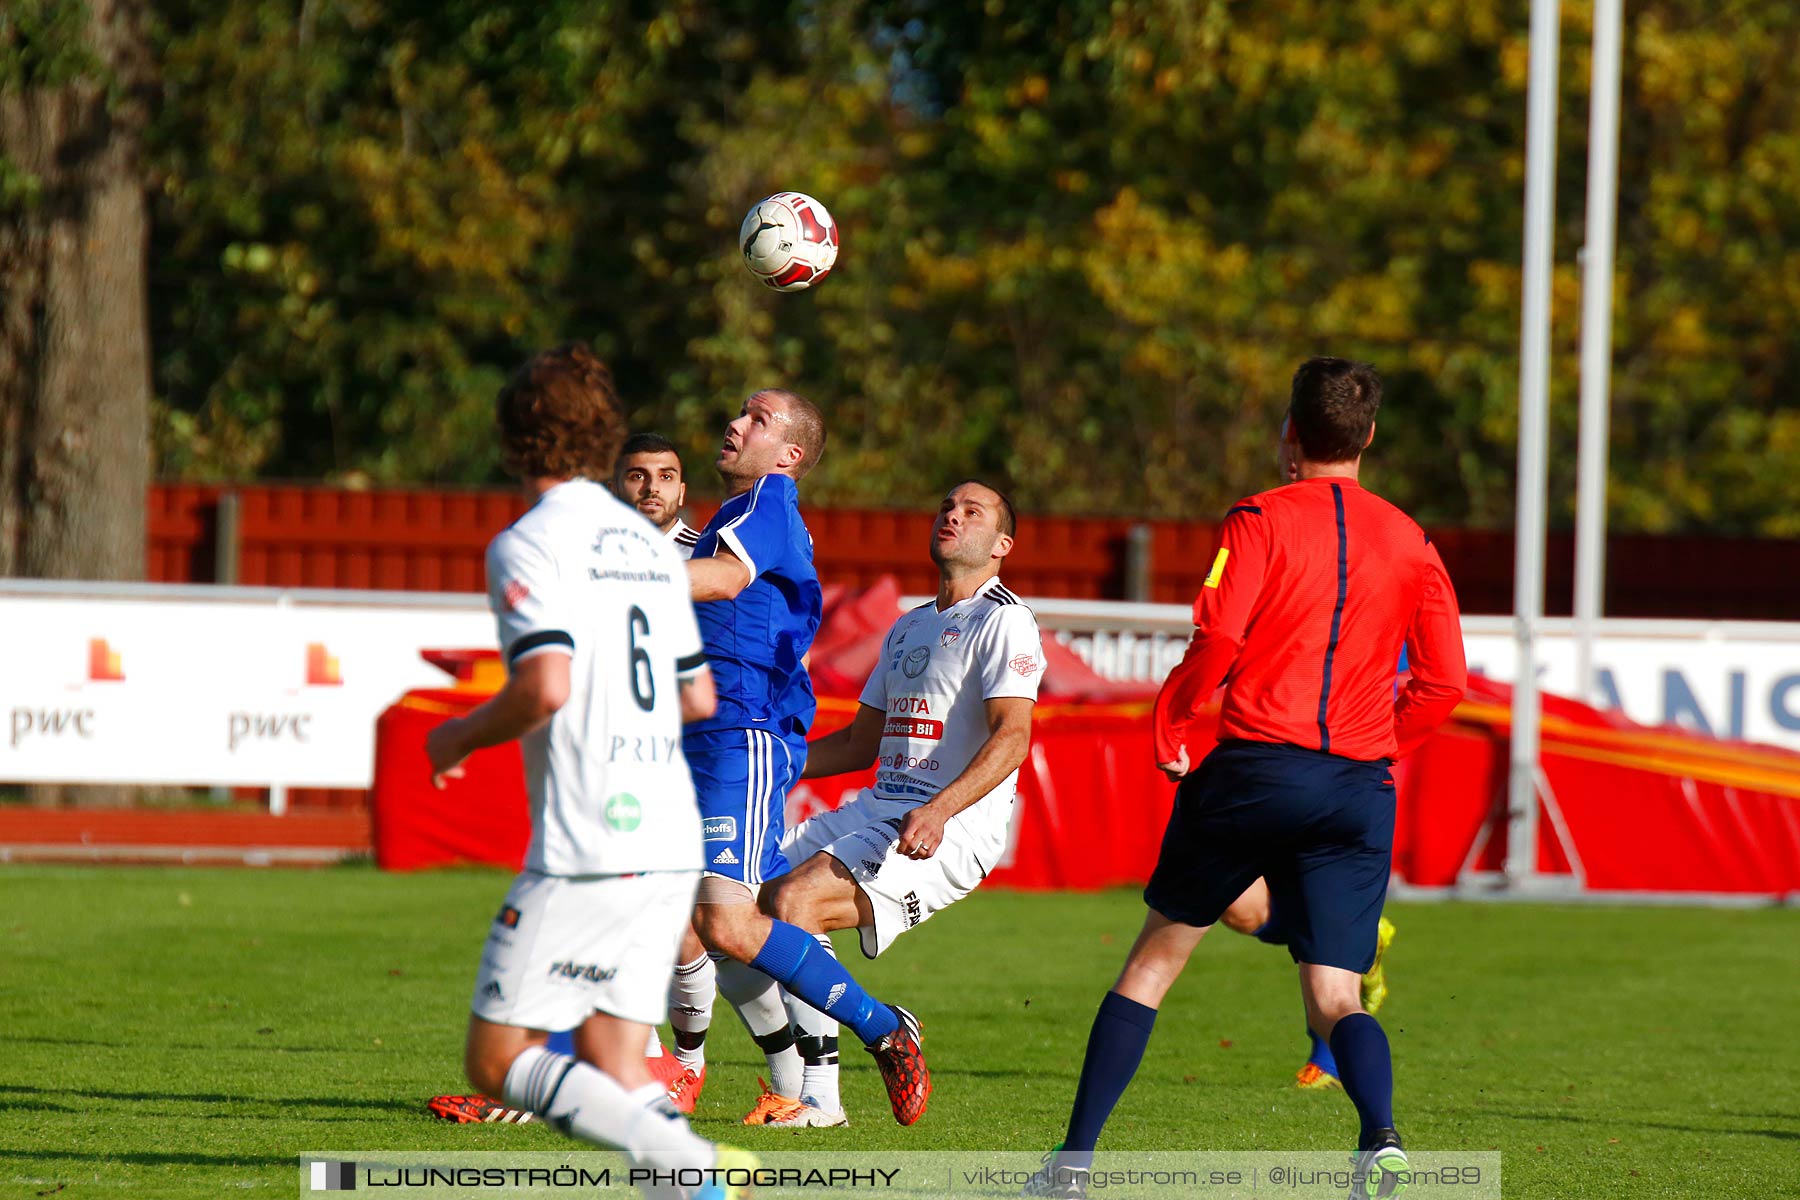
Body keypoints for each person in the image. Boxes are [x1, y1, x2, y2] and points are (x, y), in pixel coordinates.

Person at [1026, 358, 1466, 1199]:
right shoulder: (1412, 540)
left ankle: (1072, 1168)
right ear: (1368, 437)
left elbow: (1219, 636)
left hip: (1258, 762)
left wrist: (1175, 721)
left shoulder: (1260, 516)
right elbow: (1444, 682)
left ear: (1289, 432)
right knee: (1337, 993)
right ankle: (1381, 1142)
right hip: (1357, 785)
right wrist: (1375, 747)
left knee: (1152, 965)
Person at [422, 343, 751, 1197]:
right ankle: (686, 1181)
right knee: (613, 1056)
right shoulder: (648, 549)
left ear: (512, 440)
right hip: (672, 837)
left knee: (496, 1060)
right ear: (602, 441)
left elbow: (544, 685)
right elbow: (698, 697)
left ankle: (691, 1164)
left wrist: (454, 737)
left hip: (590, 841)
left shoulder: (526, 544)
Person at [753, 480, 1044, 1128]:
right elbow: (861, 742)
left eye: (973, 512)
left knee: (794, 904)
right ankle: (773, 1076)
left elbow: (1014, 735)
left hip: (952, 824)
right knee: (731, 900)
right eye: (946, 506)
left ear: (1002, 545)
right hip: (882, 804)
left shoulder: (1005, 620)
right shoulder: (909, 626)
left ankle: (823, 1100)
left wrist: (940, 810)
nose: (952, 515)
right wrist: (771, 761)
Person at [677, 388, 929, 1128]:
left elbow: (723, 581)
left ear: (789, 455)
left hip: (741, 735)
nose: (735, 422)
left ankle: (879, 1031)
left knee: (724, 924)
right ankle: (695, 1072)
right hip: (700, 738)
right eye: (739, 411)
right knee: (679, 918)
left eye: (758, 419)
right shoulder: (733, 515)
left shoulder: (771, 500)